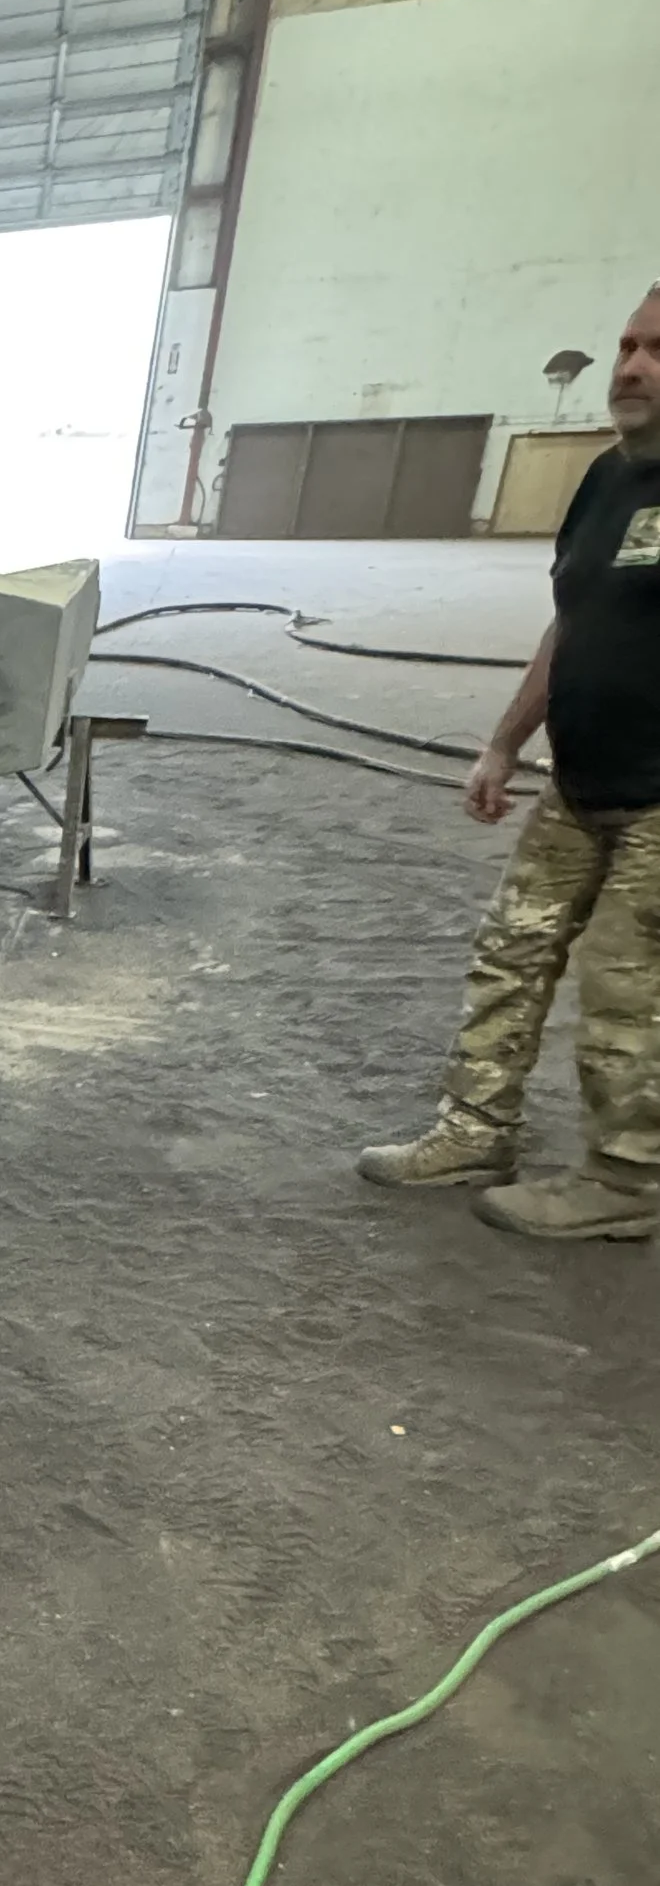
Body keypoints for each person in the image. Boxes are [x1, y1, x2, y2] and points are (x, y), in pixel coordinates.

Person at [359, 286, 660, 1240]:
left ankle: (624, 1179)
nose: (632, 366)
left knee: (627, 990)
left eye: (658, 350)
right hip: (581, 784)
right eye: (626, 343)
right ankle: (476, 1130)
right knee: (511, 952)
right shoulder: (610, 479)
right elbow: (573, 621)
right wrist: (504, 739)